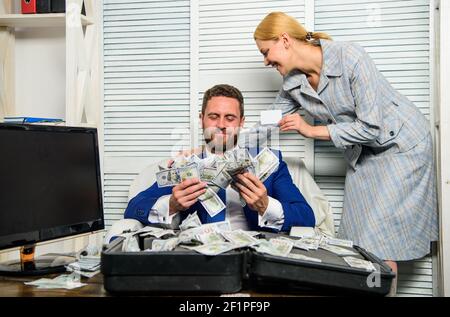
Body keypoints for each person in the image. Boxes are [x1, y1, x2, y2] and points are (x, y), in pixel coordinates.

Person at [250, 11, 439, 285]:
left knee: (379, 238)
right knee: (356, 239)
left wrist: (310, 129)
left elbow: (371, 127)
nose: (266, 61)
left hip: (400, 146)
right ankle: (371, 291)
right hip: (364, 153)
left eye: (267, 52)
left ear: (284, 40)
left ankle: (382, 292)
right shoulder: (293, 82)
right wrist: (220, 145)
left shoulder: (350, 57)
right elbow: (267, 123)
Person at [123, 84, 315, 232]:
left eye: (230, 118)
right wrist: (171, 204)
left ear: (241, 122)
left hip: (251, 259)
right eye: (214, 116)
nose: (221, 124)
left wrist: (265, 205)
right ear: (202, 119)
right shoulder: (185, 165)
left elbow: (306, 216)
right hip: (202, 259)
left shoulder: (270, 164)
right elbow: (133, 208)